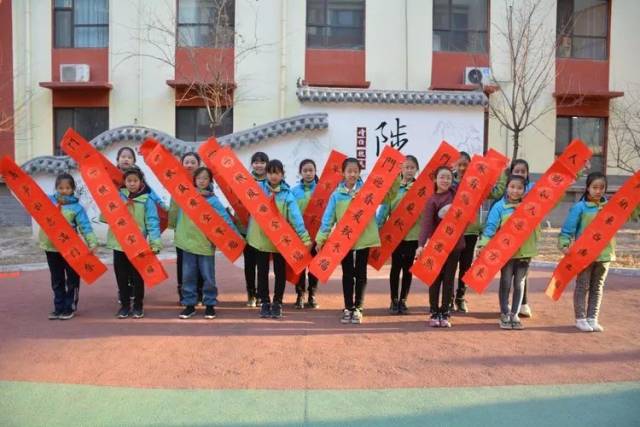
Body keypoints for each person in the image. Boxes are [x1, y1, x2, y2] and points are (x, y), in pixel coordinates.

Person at [316, 158, 381, 324]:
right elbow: (328, 218)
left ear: (359, 173)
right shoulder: (337, 195)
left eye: (355, 171)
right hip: (343, 240)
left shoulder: (367, 192)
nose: (352, 174)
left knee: (361, 273)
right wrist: (321, 239)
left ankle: (358, 307)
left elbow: (387, 194)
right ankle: (348, 307)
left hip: (363, 239)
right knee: (347, 274)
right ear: (343, 173)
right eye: (349, 171)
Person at [172, 167, 240, 320]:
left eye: (205, 178)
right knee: (188, 276)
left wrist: (235, 236)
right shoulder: (186, 196)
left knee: (208, 277)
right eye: (199, 178)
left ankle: (209, 304)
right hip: (188, 243)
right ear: (194, 180)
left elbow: (225, 218)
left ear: (210, 181)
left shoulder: (213, 200)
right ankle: (189, 305)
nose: (202, 181)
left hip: (206, 244)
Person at [246, 159, 311, 319]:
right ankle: (265, 302)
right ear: (266, 174)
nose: (273, 176)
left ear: (282, 174)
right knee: (261, 273)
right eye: (270, 172)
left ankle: (277, 302)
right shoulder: (257, 191)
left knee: (279, 273)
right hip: (260, 240)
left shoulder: (288, 195)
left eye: (277, 172)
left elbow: (296, 217)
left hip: (281, 241)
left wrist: (305, 238)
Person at [478, 175, 538, 330]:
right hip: (505, 252)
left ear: (525, 190)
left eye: (519, 188)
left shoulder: (530, 206)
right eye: (512, 187)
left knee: (519, 283)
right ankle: (504, 313)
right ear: (507, 188)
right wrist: (483, 244)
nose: (515, 191)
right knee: (505, 281)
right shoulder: (499, 206)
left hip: (525, 251)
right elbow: (491, 227)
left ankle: (515, 314)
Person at [106, 167, 162, 319]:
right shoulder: (117, 197)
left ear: (141, 181)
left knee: (138, 277)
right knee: (121, 277)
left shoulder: (147, 200)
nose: (132, 184)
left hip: (138, 246)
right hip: (120, 245)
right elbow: (106, 216)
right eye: (129, 181)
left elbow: (152, 222)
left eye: (135, 181)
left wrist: (155, 242)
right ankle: (124, 306)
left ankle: (138, 306)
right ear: (124, 182)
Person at [41, 173, 98, 320]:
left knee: (72, 277)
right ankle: (58, 307)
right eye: (60, 187)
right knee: (57, 279)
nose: (64, 190)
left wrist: (92, 242)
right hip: (52, 247)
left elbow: (85, 226)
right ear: (56, 188)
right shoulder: (48, 202)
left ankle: (70, 305)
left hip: (71, 248)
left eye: (67, 188)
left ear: (73, 189)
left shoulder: (77, 208)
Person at [416, 166, 464, 328]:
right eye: (442, 177)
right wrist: (421, 245)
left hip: (455, 245)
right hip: (436, 247)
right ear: (435, 179)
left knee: (449, 279)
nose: (445, 180)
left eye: (448, 178)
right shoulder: (432, 200)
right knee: (435, 279)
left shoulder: (456, 195)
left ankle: (445, 312)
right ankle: (434, 311)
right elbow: (426, 225)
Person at [376, 155, 420, 315]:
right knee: (395, 268)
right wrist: (377, 229)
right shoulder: (394, 189)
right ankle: (394, 299)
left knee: (408, 269)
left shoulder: (420, 190)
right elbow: (384, 210)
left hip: (413, 236)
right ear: (401, 169)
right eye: (406, 167)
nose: (409, 170)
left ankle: (403, 300)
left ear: (417, 170)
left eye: (412, 167)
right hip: (394, 236)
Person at [170, 152, 205, 305]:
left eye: (193, 162)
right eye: (186, 162)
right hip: (183, 230)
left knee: (200, 262)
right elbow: (173, 207)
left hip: (200, 231)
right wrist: (173, 226)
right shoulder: (177, 183)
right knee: (182, 262)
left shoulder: (205, 183)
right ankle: (183, 291)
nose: (189, 165)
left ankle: (199, 291)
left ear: (199, 165)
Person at [291, 159, 320, 309]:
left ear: (315, 172)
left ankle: (312, 294)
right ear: (300, 172)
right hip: (300, 236)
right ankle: (300, 294)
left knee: (314, 267)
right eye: (305, 170)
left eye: (311, 170)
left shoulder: (321, 190)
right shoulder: (294, 191)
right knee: (300, 266)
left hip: (316, 237)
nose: (308, 173)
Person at [244, 151, 269, 307]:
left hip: (265, 231)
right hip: (247, 228)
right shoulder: (245, 181)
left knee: (263, 265)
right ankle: (251, 293)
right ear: (252, 164)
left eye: (262, 162)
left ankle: (261, 294)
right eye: (255, 162)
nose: (259, 165)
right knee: (249, 265)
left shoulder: (272, 182)